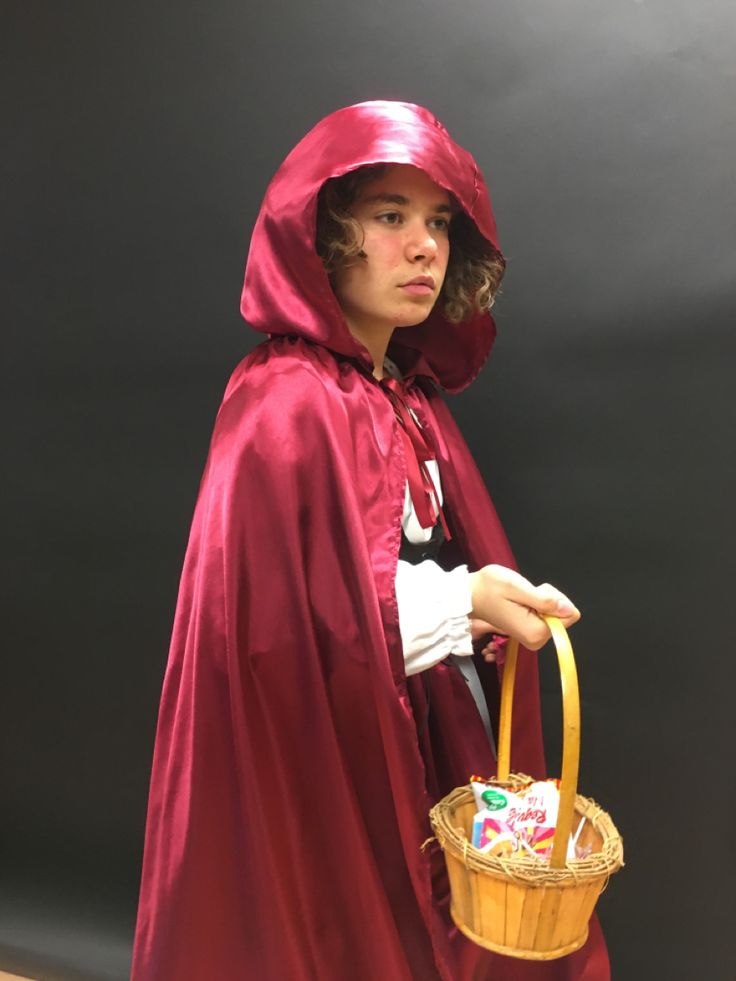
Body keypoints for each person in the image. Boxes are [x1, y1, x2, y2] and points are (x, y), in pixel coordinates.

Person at [131, 101, 610, 980]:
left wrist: (488, 606)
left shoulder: (407, 399)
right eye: (389, 217)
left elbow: (381, 583)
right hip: (314, 763)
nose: (424, 246)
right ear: (324, 236)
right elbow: (278, 632)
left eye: (435, 223)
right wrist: (464, 602)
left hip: (406, 741)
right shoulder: (283, 402)